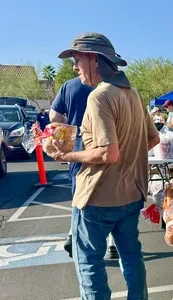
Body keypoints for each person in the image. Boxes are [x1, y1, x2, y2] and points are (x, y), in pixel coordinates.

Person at [51, 32, 159, 299]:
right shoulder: (133, 93)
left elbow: (107, 154)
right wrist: (127, 156)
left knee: (89, 262)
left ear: (94, 60)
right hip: (131, 194)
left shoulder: (99, 96)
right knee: (132, 258)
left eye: (77, 60)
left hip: (97, 197)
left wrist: (67, 157)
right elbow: (153, 138)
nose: (74, 67)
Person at [50, 77, 119, 260]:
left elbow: (54, 117)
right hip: (108, 140)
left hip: (78, 140)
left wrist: (69, 121)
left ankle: (74, 233)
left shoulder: (69, 86)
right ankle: (112, 243)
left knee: (80, 191)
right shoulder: (111, 86)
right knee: (109, 192)